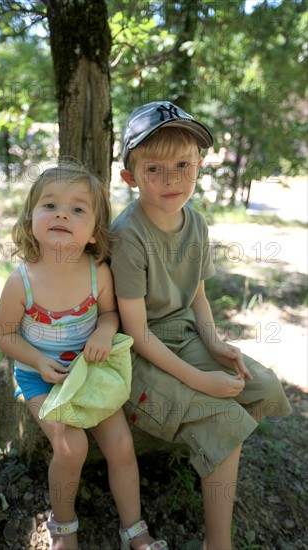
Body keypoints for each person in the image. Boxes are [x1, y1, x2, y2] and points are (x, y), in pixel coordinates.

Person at [110, 101, 292, 550]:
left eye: (183, 165)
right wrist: (200, 381)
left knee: (264, 388)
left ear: (200, 166)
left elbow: (198, 298)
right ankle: (219, 540)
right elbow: (136, 333)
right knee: (222, 413)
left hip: (184, 335)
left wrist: (215, 345)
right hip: (139, 354)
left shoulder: (196, 224)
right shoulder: (128, 235)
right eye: (154, 168)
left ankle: (210, 456)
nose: (172, 179)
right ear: (130, 176)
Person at [0, 161, 168, 550]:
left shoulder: (97, 273)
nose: (61, 213)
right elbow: (3, 335)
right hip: (40, 375)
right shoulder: (21, 281)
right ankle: (63, 528)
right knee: (72, 446)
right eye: (49, 205)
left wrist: (105, 332)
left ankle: (134, 529)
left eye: (77, 209)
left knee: (121, 444)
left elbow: (109, 314)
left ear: (92, 233)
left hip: (89, 371)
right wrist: (38, 360)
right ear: (31, 218)